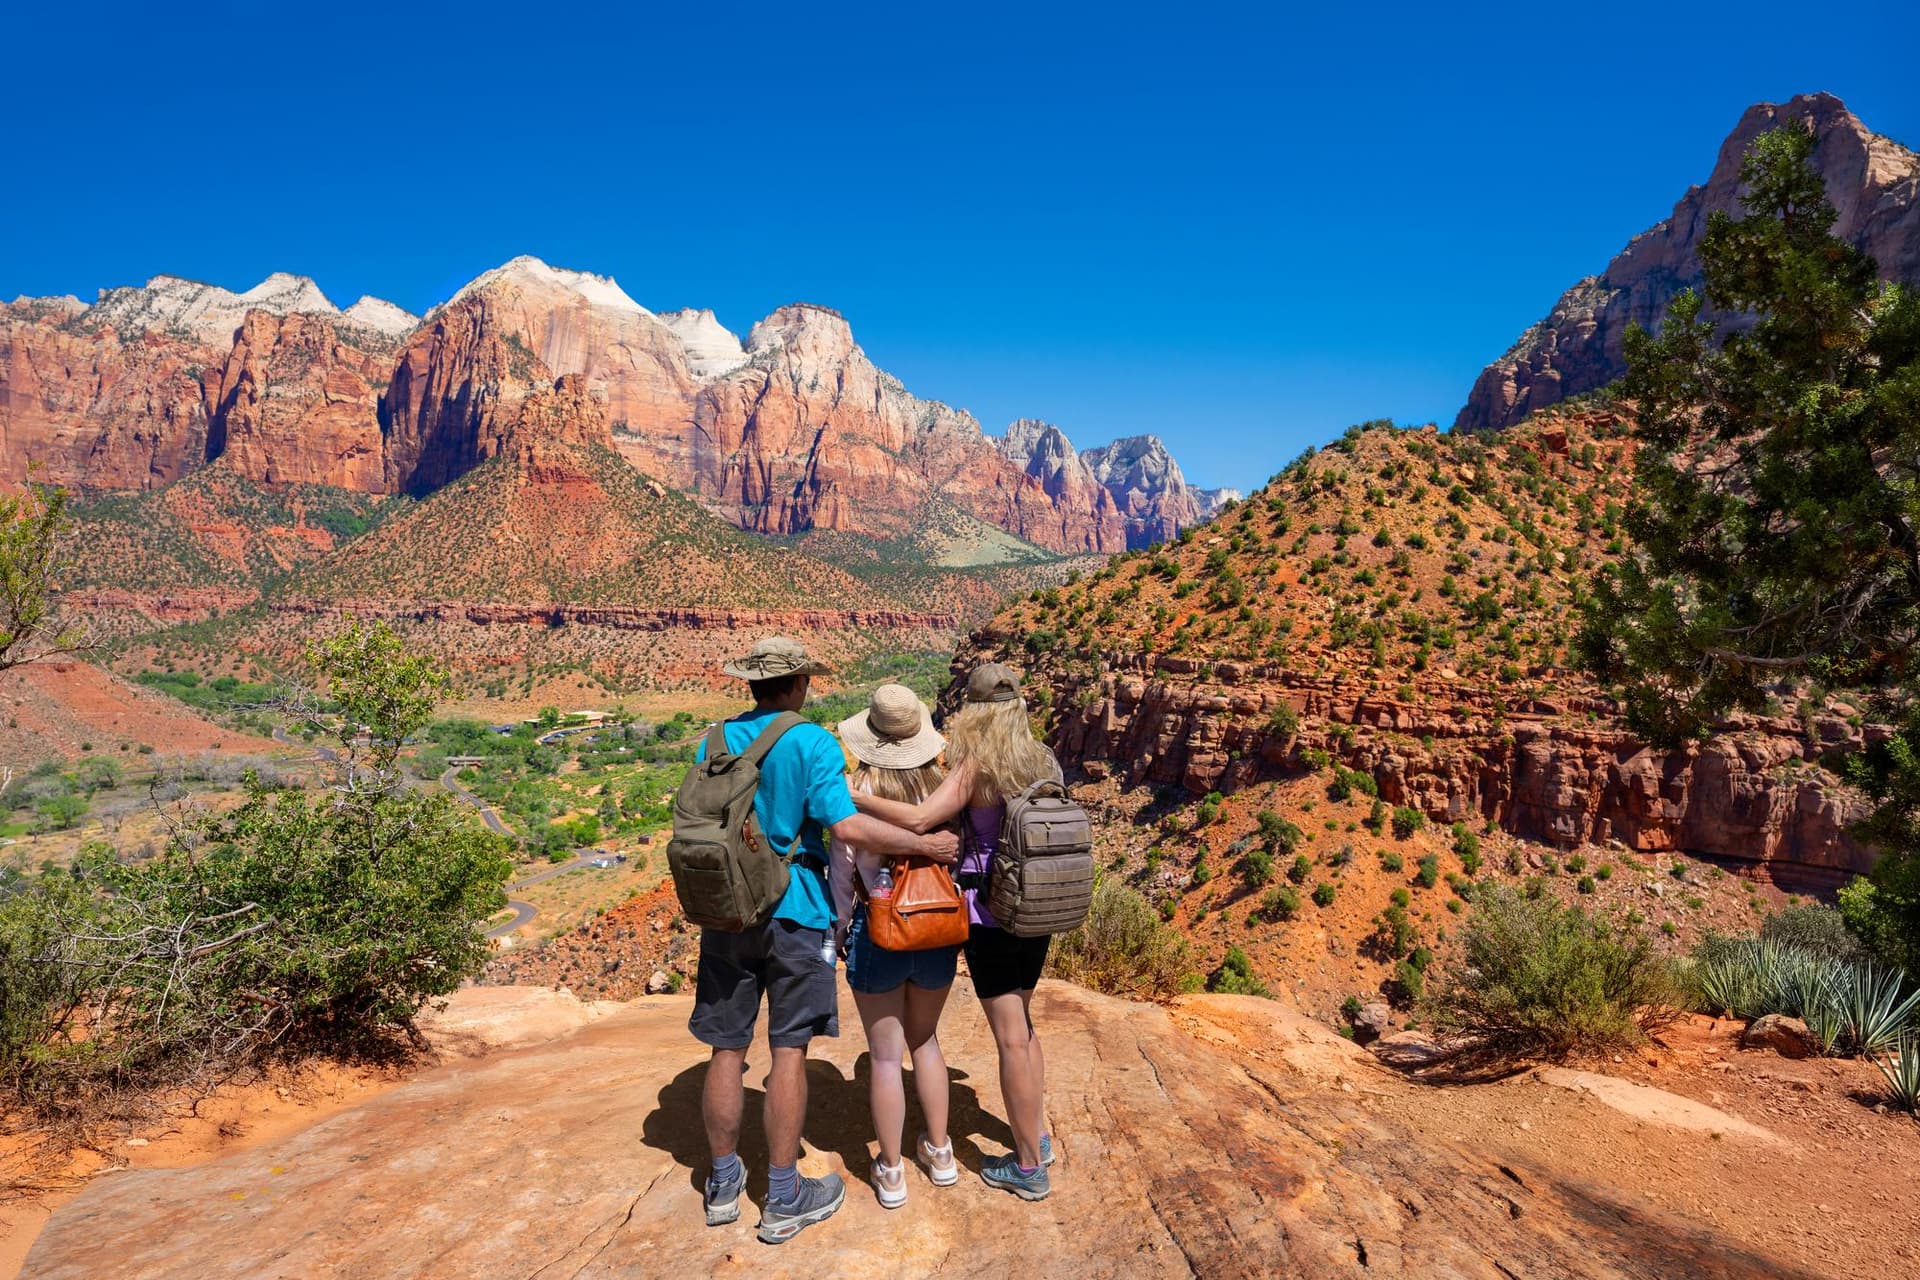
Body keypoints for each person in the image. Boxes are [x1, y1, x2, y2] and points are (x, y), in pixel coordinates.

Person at [690, 638, 959, 1246]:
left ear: (753, 685)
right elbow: (844, 827)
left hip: (727, 913)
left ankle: (724, 1183)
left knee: (726, 1049)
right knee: (788, 1051)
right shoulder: (811, 742)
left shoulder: (711, 741)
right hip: (797, 912)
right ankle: (783, 1195)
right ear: (797, 684)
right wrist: (923, 845)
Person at [849, 661, 1060, 1201]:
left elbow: (920, 822)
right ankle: (1036, 1133)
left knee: (1010, 1036)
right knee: (1026, 1028)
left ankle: (1031, 1167)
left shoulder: (978, 764)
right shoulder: (1044, 760)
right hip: (1039, 909)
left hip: (992, 914)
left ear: (975, 712)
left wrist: (852, 798)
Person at [829, 684, 963, 1210]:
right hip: (936, 929)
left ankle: (890, 1171)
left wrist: (839, 936)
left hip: (877, 930)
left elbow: (843, 875)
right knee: (925, 1041)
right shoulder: (945, 788)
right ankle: (942, 1153)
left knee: (885, 1057)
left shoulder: (854, 792)